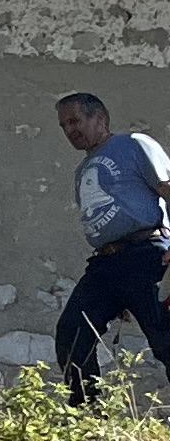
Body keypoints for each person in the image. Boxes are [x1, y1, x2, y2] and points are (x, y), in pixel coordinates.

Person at [54, 90, 170, 405]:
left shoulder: (133, 145)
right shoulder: (83, 171)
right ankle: (88, 418)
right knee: (72, 334)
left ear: (100, 118)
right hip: (106, 264)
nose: (70, 130)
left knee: (166, 339)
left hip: (147, 252)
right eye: (64, 125)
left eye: (75, 120)